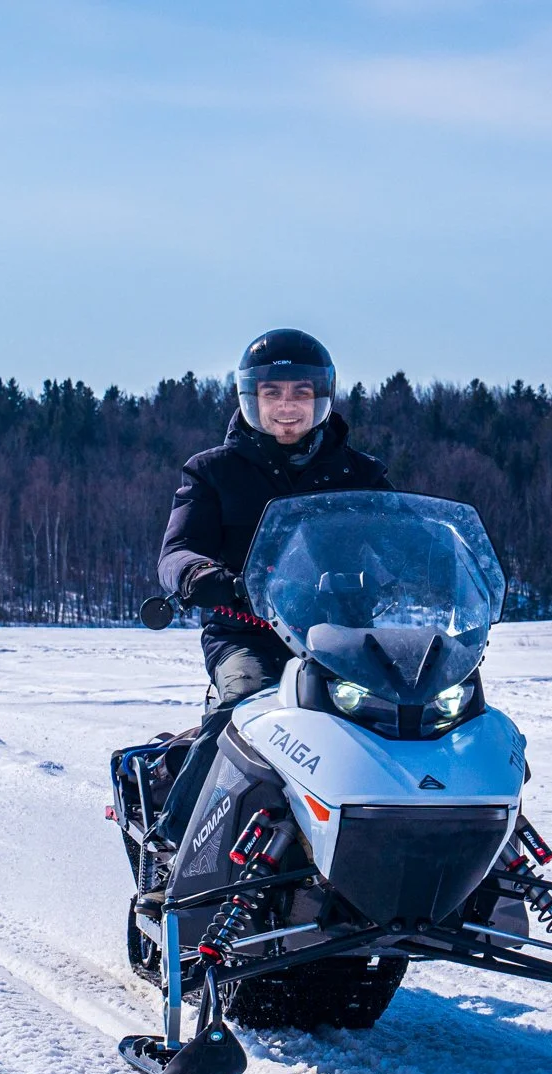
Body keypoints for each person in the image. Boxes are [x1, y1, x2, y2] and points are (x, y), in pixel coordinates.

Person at [153, 328, 391, 845]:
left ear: (322, 398)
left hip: (345, 639)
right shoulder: (213, 471)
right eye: (273, 392)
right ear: (250, 397)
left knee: (427, 717)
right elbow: (177, 550)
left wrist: (431, 569)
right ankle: (175, 846)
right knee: (241, 708)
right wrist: (200, 575)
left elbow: (401, 542)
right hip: (248, 631)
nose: (288, 406)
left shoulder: (362, 475)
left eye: (301, 393)